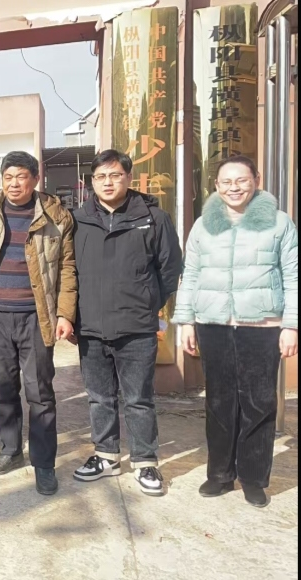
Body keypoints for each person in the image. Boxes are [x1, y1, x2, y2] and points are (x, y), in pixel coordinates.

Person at [173, 155, 298, 508]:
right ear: (216, 186)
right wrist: (186, 321)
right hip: (213, 323)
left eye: (241, 180)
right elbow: (191, 274)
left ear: (256, 180)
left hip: (262, 325)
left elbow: (293, 274)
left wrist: (291, 325)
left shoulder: (279, 223)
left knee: (258, 402)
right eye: (226, 182)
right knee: (218, 401)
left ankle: (254, 478)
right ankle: (220, 474)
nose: (234, 188)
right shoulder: (203, 225)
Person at [0, 151, 77, 496]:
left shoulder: (56, 215)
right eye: (8, 177)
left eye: (21, 177)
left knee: (39, 392)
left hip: (36, 316)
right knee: (3, 387)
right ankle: (10, 449)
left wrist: (65, 313)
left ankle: (44, 463)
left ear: (35, 179)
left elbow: (67, 267)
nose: (14, 184)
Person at [71, 150, 183, 496]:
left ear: (128, 178)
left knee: (138, 398)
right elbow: (68, 270)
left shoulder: (153, 218)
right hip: (90, 326)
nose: (108, 182)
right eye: (100, 177)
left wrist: (147, 304)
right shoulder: (78, 220)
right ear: (91, 182)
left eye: (115, 175)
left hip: (136, 327)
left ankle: (145, 460)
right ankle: (106, 456)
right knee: (99, 397)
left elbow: (170, 269)